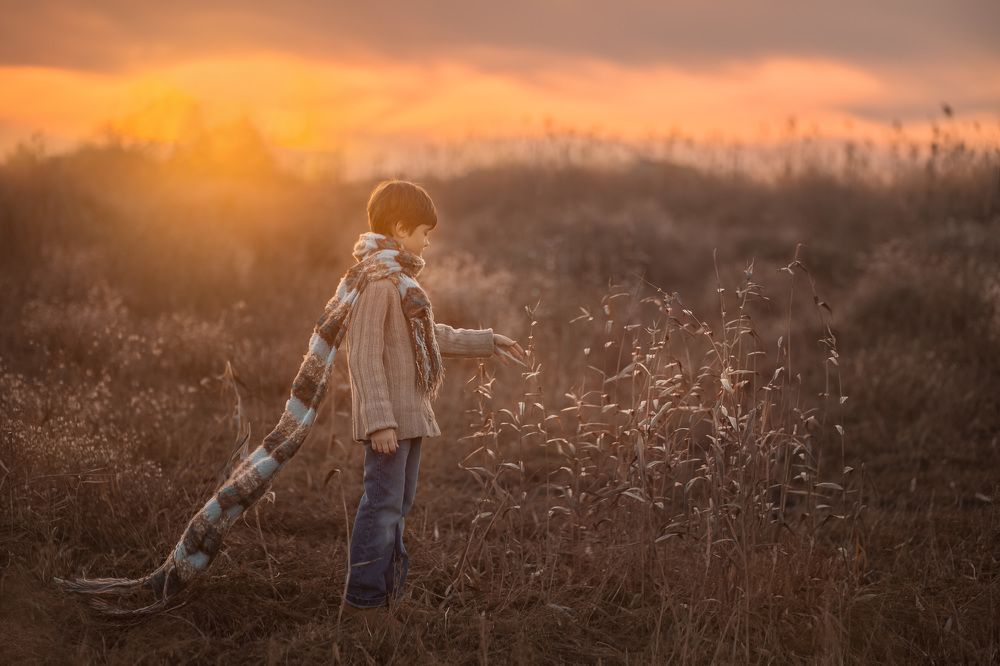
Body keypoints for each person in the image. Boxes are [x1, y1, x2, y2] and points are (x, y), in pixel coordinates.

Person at [341, 179, 527, 624]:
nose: (428, 241)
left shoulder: (400, 281)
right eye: (424, 232)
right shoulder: (377, 282)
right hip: (390, 423)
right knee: (381, 507)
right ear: (401, 227)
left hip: (410, 415)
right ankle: (363, 604)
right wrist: (379, 423)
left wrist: (485, 340)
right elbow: (363, 355)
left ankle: (388, 595)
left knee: (397, 507)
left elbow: (424, 337)